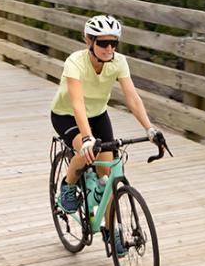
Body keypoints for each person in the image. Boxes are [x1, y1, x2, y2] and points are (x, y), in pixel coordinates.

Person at [50, 15, 163, 246]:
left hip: (98, 114)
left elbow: (131, 97)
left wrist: (150, 129)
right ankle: (68, 187)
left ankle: (112, 230)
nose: (109, 48)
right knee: (84, 148)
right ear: (89, 41)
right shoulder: (75, 62)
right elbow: (77, 103)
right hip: (66, 114)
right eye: (102, 43)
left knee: (108, 172)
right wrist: (88, 138)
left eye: (114, 43)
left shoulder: (119, 61)